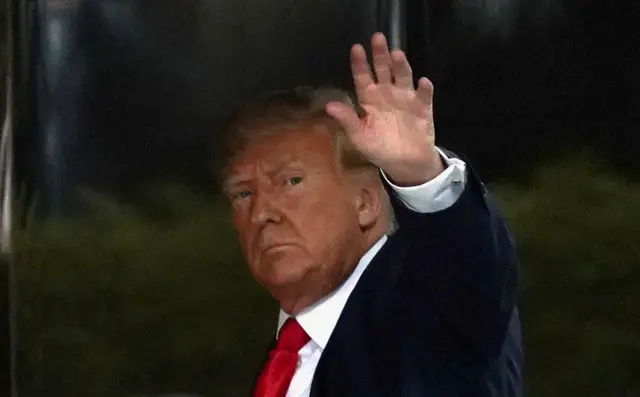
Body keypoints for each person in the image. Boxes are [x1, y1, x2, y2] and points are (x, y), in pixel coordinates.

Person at [218, 32, 523, 397]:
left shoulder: (426, 310)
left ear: (365, 202)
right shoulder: (279, 355)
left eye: (290, 181)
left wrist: (419, 173)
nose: (261, 212)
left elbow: (470, 269)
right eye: (243, 192)